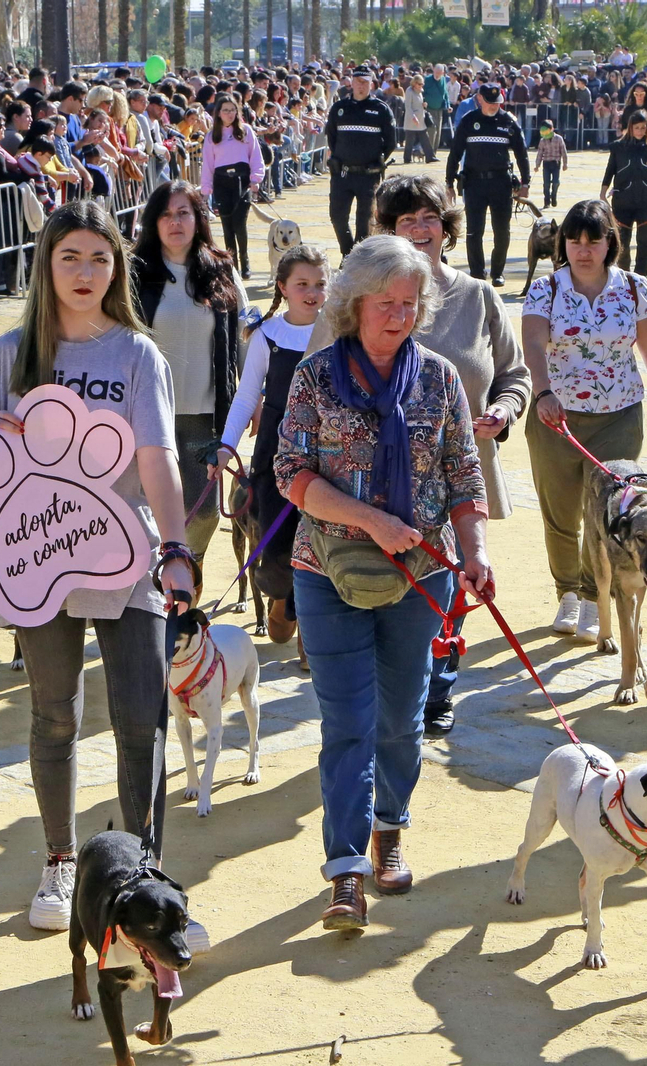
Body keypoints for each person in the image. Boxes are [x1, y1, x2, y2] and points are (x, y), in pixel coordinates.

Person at [0, 199, 199, 934]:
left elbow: (156, 460)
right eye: (70, 257)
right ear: (46, 263)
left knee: (140, 719)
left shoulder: (137, 355)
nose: (85, 272)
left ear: (118, 266)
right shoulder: (10, 354)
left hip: (124, 560)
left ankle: (143, 873)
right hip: (38, 561)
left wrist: (176, 548)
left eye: (100, 257)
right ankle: (61, 860)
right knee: (54, 714)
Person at [273, 235, 491, 930]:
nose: (398, 316)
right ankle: (345, 872)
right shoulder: (314, 377)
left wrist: (476, 552)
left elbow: (464, 471)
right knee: (347, 723)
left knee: (402, 715)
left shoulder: (439, 379)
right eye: (385, 303)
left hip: (423, 575)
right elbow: (290, 473)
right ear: (352, 304)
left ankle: (389, 830)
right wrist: (370, 520)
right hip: (326, 571)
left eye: (410, 303)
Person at [370, 174, 529, 735]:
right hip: (380, 479)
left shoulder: (480, 296)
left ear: (447, 227)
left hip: (461, 474)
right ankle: (393, 687)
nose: (419, 229)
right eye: (405, 220)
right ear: (387, 229)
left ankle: (438, 686)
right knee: (387, 586)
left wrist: (505, 411)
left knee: (461, 576)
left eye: (429, 218)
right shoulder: (365, 294)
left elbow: (514, 374)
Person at [522, 199, 647, 641]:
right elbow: (533, 343)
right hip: (557, 416)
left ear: (611, 241)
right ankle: (567, 593)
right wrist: (543, 391)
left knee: (607, 513)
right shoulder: (546, 289)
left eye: (594, 240)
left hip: (619, 416)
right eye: (574, 240)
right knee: (561, 512)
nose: (583, 249)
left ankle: (594, 597)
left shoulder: (633, 288)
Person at [213, 244, 329, 659]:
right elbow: (247, 397)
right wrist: (227, 446)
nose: (313, 292)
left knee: (324, 541)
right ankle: (282, 597)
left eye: (320, 283)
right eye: (302, 284)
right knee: (278, 544)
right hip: (276, 452)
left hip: (330, 451)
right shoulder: (266, 335)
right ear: (283, 287)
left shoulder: (340, 329)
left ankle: (311, 637)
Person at [129, 180, 244, 572]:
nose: (174, 222)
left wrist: (253, 396)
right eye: (165, 214)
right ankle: (149, 588)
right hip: (147, 416)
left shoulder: (220, 268)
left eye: (183, 213)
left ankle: (186, 570)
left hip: (204, 413)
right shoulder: (135, 273)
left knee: (205, 511)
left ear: (198, 219)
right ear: (153, 222)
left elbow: (241, 334)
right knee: (147, 509)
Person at [445, 83, 530, 286]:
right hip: (474, 183)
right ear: (480, 99)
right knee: (475, 230)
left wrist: (525, 182)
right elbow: (455, 153)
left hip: (501, 183)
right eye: (490, 102)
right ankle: (477, 273)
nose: (494, 106)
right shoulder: (469, 121)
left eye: (497, 102)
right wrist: (449, 182)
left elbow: (521, 153)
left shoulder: (508, 122)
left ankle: (498, 272)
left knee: (502, 230)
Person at [323, 66, 398, 257]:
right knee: (337, 217)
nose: (361, 86)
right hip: (342, 173)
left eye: (365, 82)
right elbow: (332, 137)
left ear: (372, 84)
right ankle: (348, 255)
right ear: (352, 83)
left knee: (364, 223)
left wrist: (379, 159)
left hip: (368, 175)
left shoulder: (380, 109)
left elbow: (391, 142)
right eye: (358, 81)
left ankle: (358, 260)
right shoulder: (339, 108)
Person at [199, 93, 264, 280]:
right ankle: (231, 263)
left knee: (240, 223)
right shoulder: (212, 136)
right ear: (218, 113)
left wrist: (255, 180)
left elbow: (255, 156)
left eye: (233, 110)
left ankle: (245, 260)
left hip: (241, 182)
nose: (229, 114)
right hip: (222, 183)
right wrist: (205, 191)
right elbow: (208, 164)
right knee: (227, 226)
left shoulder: (246, 131)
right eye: (225, 110)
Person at [599, 110, 647, 278]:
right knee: (622, 242)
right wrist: (602, 194)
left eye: (644, 128)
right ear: (630, 128)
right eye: (637, 128)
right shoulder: (618, 147)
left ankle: (641, 278)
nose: (641, 131)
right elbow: (610, 171)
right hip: (623, 201)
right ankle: (625, 276)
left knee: (645, 243)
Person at [534, 119, 568, 207]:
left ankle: (554, 196)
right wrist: (537, 165)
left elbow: (563, 151)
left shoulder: (559, 139)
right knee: (546, 184)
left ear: (552, 129)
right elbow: (540, 154)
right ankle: (546, 201)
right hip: (546, 163)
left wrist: (565, 163)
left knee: (556, 182)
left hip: (556, 163)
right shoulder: (542, 141)